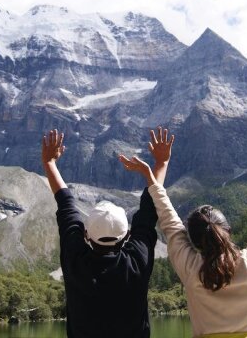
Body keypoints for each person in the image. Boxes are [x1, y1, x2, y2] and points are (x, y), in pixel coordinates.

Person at [120, 128, 247, 338]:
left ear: (193, 242)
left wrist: (154, 174)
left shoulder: (192, 268)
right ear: (228, 231)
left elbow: (170, 222)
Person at [41, 129, 167, 338]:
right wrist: (162, 163)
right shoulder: (136, 261)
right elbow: (148, 210)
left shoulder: (76, 260)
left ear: (87, 235)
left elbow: (66, 204)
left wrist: (49, 163)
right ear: (126, 236)